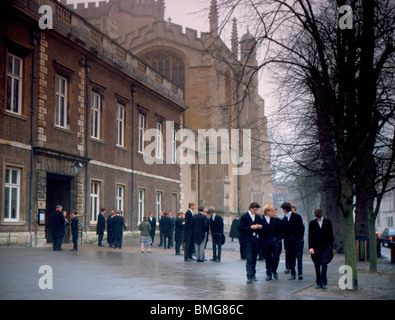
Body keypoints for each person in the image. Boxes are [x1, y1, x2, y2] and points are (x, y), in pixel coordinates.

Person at [309, 208, 334, 290]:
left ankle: (323, 281)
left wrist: (330, 245)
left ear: (322, 215)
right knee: (316, 265)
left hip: (326, 246)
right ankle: (318, 282)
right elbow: (310, 236)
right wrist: (311, 247)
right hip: (316, 247)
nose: (318, 218)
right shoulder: (312, 223)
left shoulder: (327, 222)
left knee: (324, 263)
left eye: (319, 217)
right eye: (317, 217)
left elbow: (331, 234)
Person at [238, 202, 262, 283]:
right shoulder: (244, 217)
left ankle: (253, 274)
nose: (256, 211)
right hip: (247, 240)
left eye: (257, 210)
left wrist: (259, 227)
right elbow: (240, 228)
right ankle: (249, 275)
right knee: (249, 258)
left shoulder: (258, 216)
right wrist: (250, 227)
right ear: (250, 208)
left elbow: (261, 227)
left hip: (255, 239)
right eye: (254, 210)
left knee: (255, 257)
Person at [281, 202, 305, 280]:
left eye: (283, 209)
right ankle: (293, 273)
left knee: (299, 257)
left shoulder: (297, 216)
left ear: (285, 209)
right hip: (288, 241)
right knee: (291, 257)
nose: (283, 211)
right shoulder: (284, 218)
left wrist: (300, 237)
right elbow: (283, 230)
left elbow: (301, 228)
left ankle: (300, 273)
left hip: (297, 240)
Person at [260, 205, 283, 280]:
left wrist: (278, 238)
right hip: (265, 242)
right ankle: (269, 273)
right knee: (267, 258)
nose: (272, 212)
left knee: (276, 256)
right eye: (271, 211)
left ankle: (274, 270)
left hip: (274, 241)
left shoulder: (276, 220)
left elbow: (280, 231)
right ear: (266, 212)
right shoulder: (261, 220)